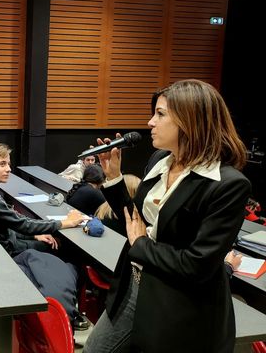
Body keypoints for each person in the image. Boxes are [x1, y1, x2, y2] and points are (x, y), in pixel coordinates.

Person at [83, 79, 251, 353]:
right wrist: (113, 179)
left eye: (160, 114)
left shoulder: (227, 184)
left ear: (189, 120)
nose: (150, 122)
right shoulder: (160, 160)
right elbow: (135, 221)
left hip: (178, 304)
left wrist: (141, 246)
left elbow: (197, 265)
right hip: (134, 284)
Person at [0, 143, 85, 257]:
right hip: (8, 250)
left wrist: (34, 236)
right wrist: (66, 222)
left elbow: (11, 224)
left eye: (8, 164)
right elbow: (23, 224)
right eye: (2, 164)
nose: (8, 169)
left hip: (8, 240)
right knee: (59, 244)